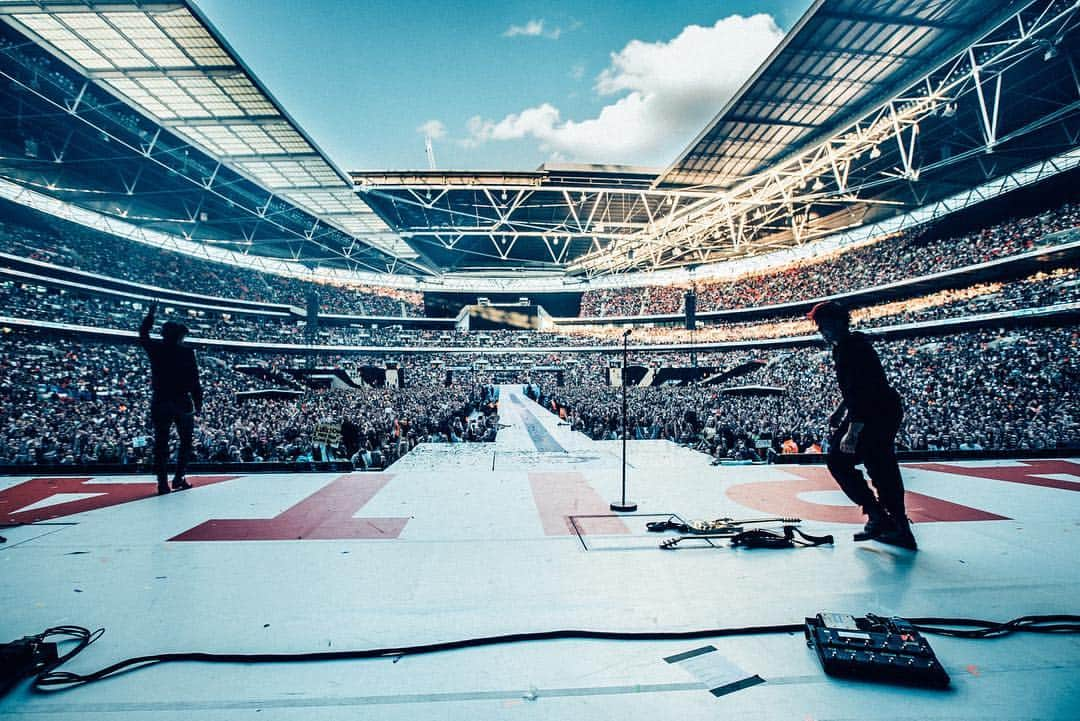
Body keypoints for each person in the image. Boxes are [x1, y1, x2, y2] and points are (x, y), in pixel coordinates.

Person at [808, 301, 916, 550]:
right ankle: (894, 525)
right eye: (820, 326)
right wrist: (839, 411)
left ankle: (881, 518)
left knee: (842, 460)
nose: (822, 331)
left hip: (876, 412)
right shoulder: (846, 347)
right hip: (879, 409)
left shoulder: (850, 349)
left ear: (838, 323)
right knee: (881, 466)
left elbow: (864, 393)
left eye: (825, 325)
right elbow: (853, 388)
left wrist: (852, 432)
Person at [139, 302, 203, 495]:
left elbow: (143, 333)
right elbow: (194, 380)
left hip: (160, 400)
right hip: (182, 402)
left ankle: (162, 483)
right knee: (185, 442)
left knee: (161, 443)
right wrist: (198, 403)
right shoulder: (186, 352)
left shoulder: (156, 349)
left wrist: (151, 315)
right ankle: (179, 478)